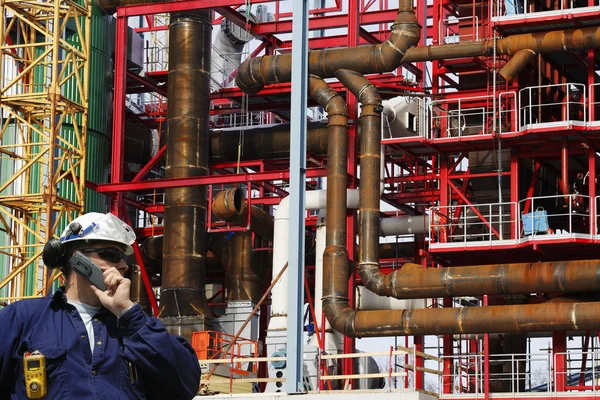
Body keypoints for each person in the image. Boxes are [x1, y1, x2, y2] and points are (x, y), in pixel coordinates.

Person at [0, 212, 201, 399]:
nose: (123, 265)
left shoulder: (136, 327)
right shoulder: (23, 319)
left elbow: (186, 384)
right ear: (78, 259)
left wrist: (127, 314)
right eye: (112, 255)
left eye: (125, 258)